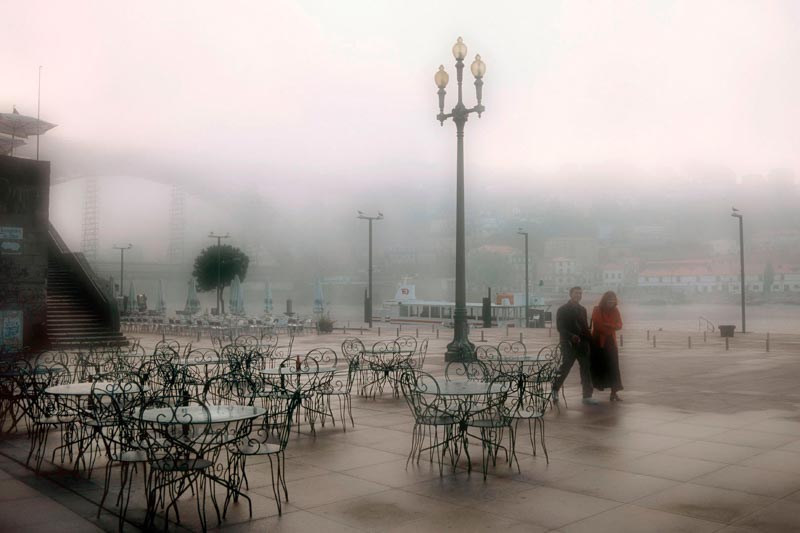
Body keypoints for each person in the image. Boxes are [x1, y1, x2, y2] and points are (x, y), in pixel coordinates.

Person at [552, 286, 598, 405]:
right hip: (568, 344)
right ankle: (555, 389)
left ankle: (587, 395)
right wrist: (571, 336)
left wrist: (590, 340)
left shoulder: (582, 309)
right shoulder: (563, 309)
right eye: (576, 293)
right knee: (565, 367)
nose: (579, 295)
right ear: (570, 294)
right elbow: (560, 328)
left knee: (586, 369)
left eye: (580, 293)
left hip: (582, 344)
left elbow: (585, 328)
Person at [590, 291, 624, 401]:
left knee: (614, 367)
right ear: (604, 300)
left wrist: (609, 325)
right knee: (596, 367)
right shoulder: (597, 309)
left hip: (611, 343)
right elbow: (598, 326)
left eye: (613, 300)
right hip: (598, 343)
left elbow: (620, 325)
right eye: (609, 299)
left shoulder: (615, 310)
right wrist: (612, 327)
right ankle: (588, 394)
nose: (611, 301)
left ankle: (614, 392)